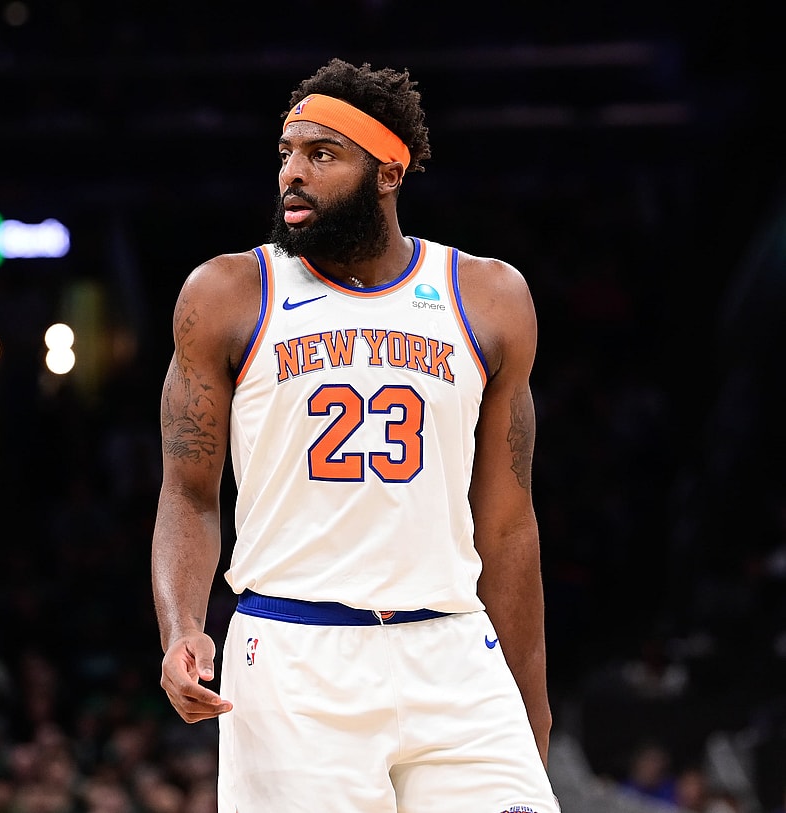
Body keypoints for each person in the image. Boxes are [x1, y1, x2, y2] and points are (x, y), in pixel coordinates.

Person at [150, 58, 560, 812]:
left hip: (452, 649)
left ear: (388, 171)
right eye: (286, 154)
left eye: (322, 154)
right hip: (294, 655)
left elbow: (507, 527)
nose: (292, 175)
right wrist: (181, 626)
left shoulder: (489, 297)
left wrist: (529, 703)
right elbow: (189, 494)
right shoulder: (227, 294)